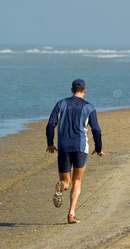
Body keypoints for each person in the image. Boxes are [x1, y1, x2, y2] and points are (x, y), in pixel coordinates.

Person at [46, 79, 105, 224]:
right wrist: (98, 148)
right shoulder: (89, 107)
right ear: (85, 90)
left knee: (66, 181)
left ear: (71, 90)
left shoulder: (61, 104)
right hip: (80, 148)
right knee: (77, 181)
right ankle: (71, 214)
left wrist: (50, 144)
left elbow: (50, 125)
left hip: (64, 148)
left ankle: (61, 186)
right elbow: (96, 130)